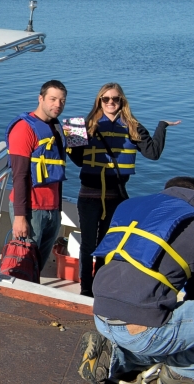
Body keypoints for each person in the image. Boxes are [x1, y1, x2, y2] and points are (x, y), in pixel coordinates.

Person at [79, 176, 194, 384]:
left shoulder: (130, 208)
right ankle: (187, 372)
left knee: (153, 327)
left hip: (101, 315)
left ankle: (115, 358)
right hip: (144, 331)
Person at [67, 82, 181, 297]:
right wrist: (70, 139)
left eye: (115, 99)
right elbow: (79, 161)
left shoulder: (133, 126)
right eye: (106, 99)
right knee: (88, 244)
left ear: (122, 101)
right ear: (99, 100)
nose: (111, 102)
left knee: (107, 243)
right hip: (89, 195)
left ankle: (100, 285)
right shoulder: (85, 124)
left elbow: (153, 153)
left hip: (115, 195)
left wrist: (162, 126)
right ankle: (85, 289)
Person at [4, 79, 67, 271]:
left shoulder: (58, 128)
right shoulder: (24, 128)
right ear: (41, 98)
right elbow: (20, 175)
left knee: (37, 266)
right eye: (53, 99)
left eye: (62, 101)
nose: (57, 105)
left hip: (53, 210)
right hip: (31, 211)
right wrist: (20, 217)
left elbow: (74, 161)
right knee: (23, 267)